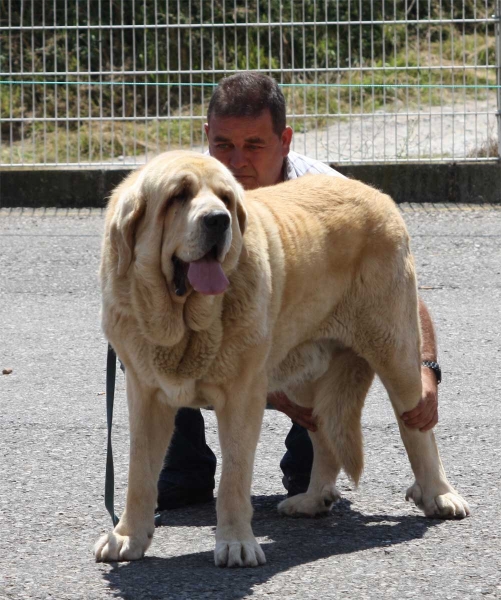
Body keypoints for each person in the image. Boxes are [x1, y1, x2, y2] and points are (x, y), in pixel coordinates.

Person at [156, 72, 441, 510]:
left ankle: (324, 476)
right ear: (206, 136)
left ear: (285, 140)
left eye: (254, 145)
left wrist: (425, 369)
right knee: (149, 329)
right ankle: (184, 473)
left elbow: (397, 297)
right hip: (225, 355)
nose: (235, 163)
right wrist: (273, 391)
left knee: (347, 371)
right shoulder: (183, 195)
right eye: (223, 146)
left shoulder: (330, 194)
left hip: (305, 338)